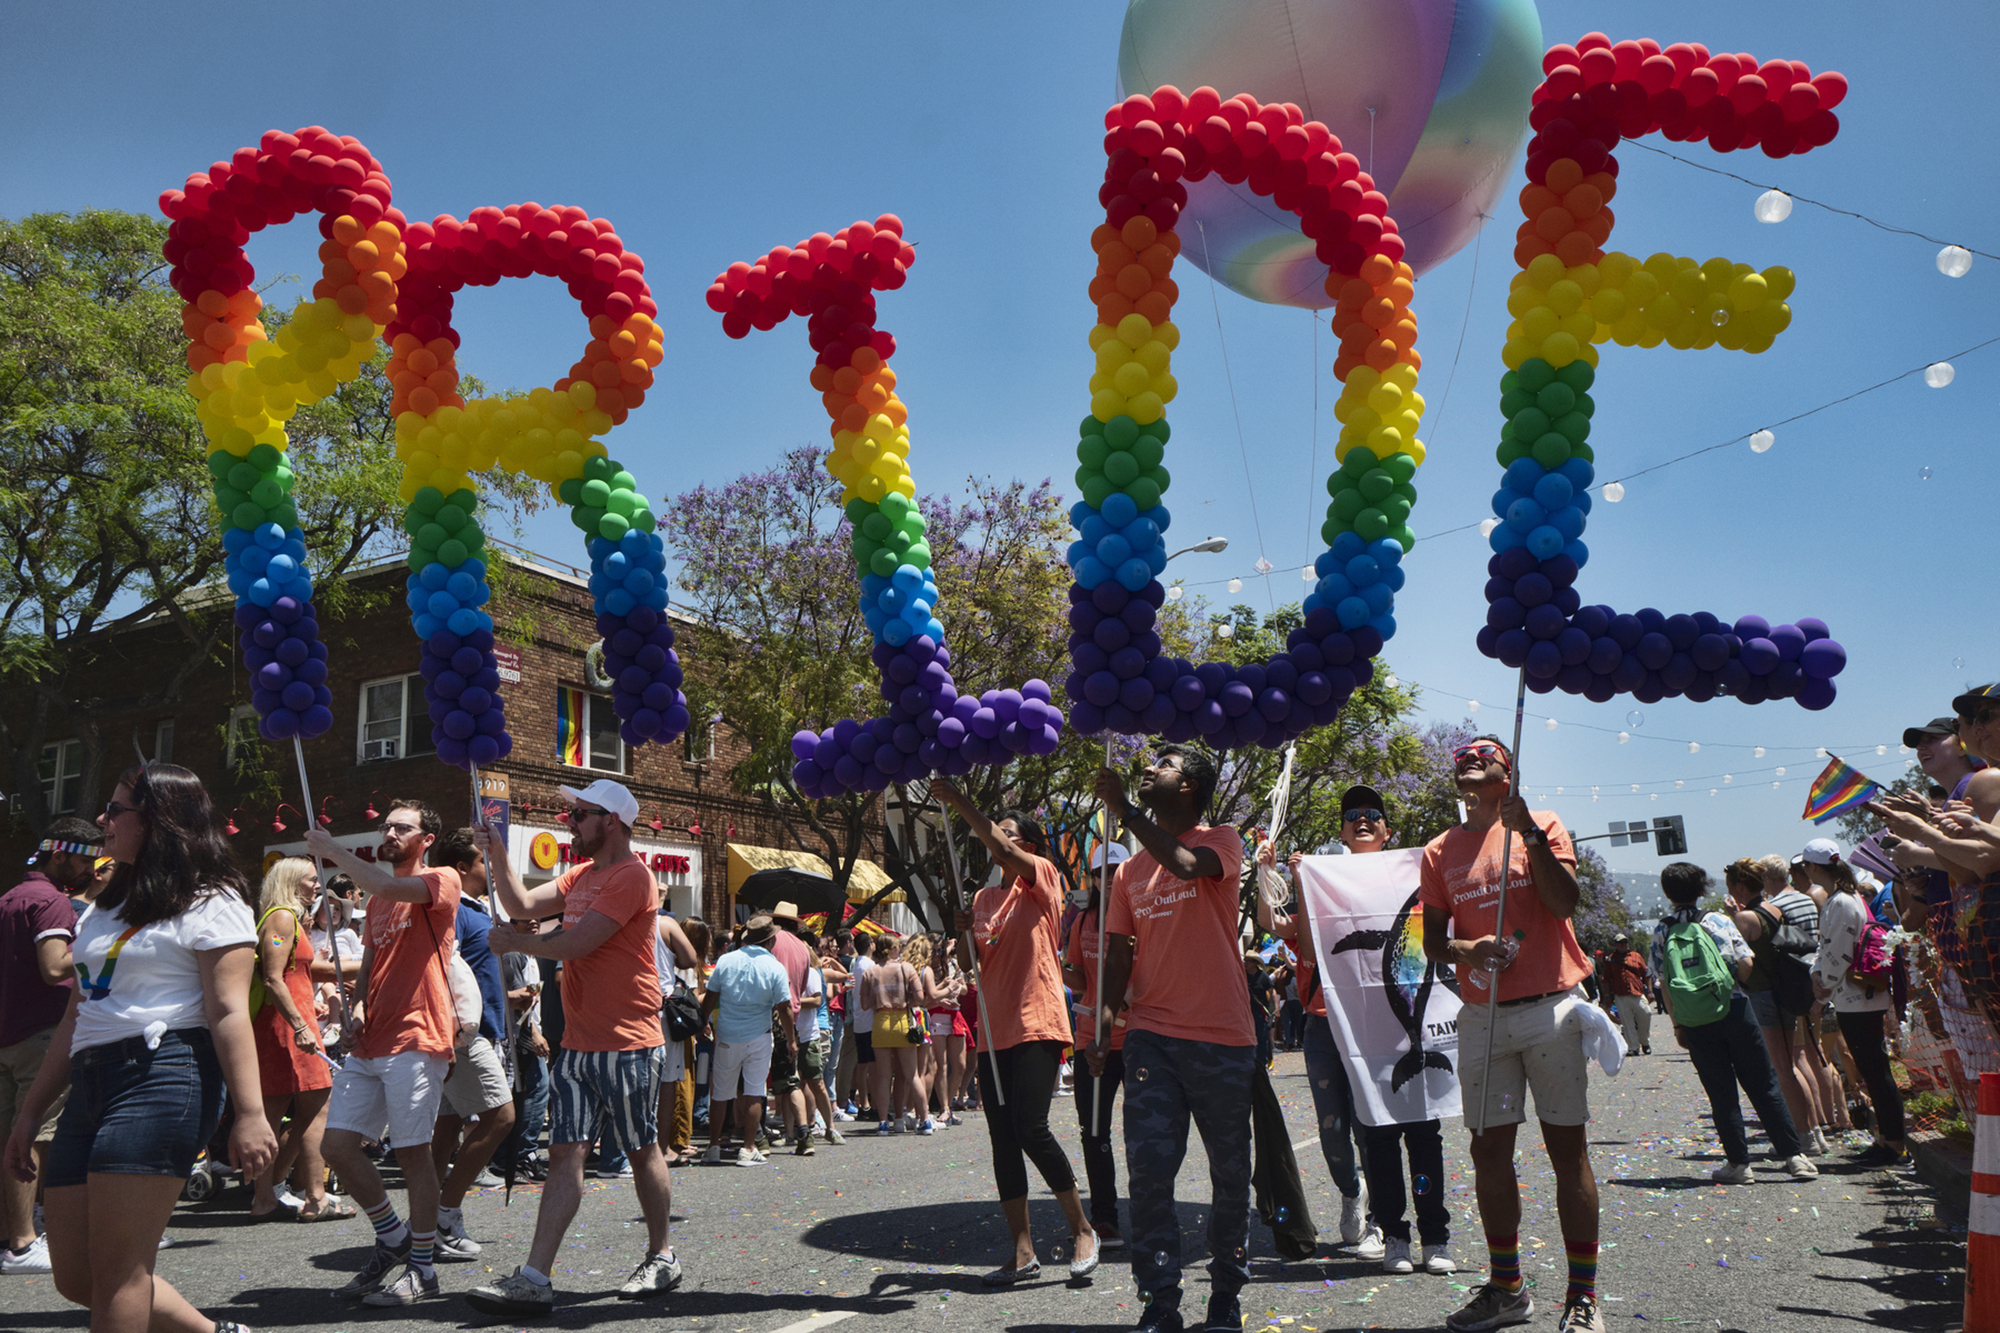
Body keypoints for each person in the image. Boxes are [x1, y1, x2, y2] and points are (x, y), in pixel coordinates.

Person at [3, 763, 277, 1333]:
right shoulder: (106, 905)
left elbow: (228, 1011)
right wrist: (29, 1116)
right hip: (90, 1080)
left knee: (120, 1273)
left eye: (116, 810)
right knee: (75, 1276)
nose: (103, 820)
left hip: (165, 1073)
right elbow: (80, 1012)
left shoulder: (213, 898)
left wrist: (250, 1114)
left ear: (159, 820)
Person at [466, 779, 681, 1314]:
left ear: (611, 820)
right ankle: (536, 1277)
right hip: (579, 1044)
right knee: (564, 1153)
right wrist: (495, 848)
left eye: (580, 814)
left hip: (629, 1041)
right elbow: (518, 902)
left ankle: (662, 1255)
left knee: (640, 1149)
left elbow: (579, 942)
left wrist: (516, 940)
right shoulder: (581, 874)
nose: (571, 822)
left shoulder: (633, 877)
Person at [1417, 735, 1602, 1333]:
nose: (1470, 758)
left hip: (1551, 1008)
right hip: (1484, 1019)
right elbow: (1435, 942)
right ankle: (1507, 1288)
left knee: (1565, 1150)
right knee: (1488, 1150)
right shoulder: (1438, 850)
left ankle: (1582, 1297)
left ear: (1508, 770)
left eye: (1485, 753)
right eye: (1462, 755)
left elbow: (1563, 900)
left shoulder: (1542, 823)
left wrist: (1530, 837)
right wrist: (1470, 948)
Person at [1087, 745, 1253, 1333]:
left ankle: (1226, 1296)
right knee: (1150, 1174)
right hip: (1151, 1035)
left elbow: (1185, 865)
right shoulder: (1129, 873)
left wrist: (1124, 811)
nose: (1151, 766)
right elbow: (1118, 953)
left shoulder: (1224, 840)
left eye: (1165, 763)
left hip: (1222, 1037)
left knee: (1230, 1173)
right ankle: (1160, 1299)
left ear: (1188, 787)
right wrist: (1104, 1022)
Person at [1263, 785, 1451, 1275]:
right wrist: (1279, 875)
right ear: (1342, 831)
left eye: (1373, 815)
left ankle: (1431, 1237)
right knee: (1360, 1131)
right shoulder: (1323, 884)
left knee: (1416, 1130)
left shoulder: (1416, 872)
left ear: (1388, 830)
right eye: (1352, 816)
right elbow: (1293, 933)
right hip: (1334, 1028)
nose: (1362, 820)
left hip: (1401, 1027)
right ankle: (1382, 1224)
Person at [933, 779, 1100, 1285]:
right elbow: (971, 966)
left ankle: (1081, 1229)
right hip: (994, 1030)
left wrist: (959, 800)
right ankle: (1023, 1250)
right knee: (1003, 1139)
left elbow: (1000, 845)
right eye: (996, 832)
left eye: (1006, 835)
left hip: (1038, 1022)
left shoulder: (1043, 877)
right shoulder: (984, 897)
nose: (996, 842)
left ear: (1027, 846)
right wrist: (962, 930)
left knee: (1032, 1127)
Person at [307, 800, 461, 1306]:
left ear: (426, 839)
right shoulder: (375, 903)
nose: (390, 832)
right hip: (373, 1040)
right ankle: (394, 1238)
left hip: (419, 1035)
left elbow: (390, 886)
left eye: (402, 827)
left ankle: (422, 1268)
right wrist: (353, 1013)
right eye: (386, 826)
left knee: (413, 1153)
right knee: (338, 1147)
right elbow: (370, 967)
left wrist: (332, 852)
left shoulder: (441, 880)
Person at [1651, 862, 1817, 1185]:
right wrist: (1730, 985)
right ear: (1701, 891)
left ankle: (1739, 1165)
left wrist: (1678, 1025)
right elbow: (1745, 964)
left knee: (1721, 1092)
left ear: (1668, 894)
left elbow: (1665, 984)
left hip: (1695, 1021)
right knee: (1763, 1083)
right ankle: (1794, 1157)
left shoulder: (1662, 931)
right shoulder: (1717, 920)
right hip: (1735, 1008)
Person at [1, 817, 94, 1274]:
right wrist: (104, 944)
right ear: (59, 855)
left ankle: (10, 1237)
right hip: (41, 1035)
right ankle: (23, 1243)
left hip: (7, 1036)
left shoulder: (10, 898)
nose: (90, 871)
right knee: (37, 1137)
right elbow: (56, 967)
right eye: (84, 860)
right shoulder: (53, 903)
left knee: (9, 1138)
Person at [425, 829, 518, 1257]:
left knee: (445, 1131)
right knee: (500, 1117)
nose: (491, 870)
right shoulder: (455, 909)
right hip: (464, 1035)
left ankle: (425, 1223)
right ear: (462, 868)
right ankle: (444, 1215)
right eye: (485, 862)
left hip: (474, 1031)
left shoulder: (474, 909)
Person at [246, 857, 347, 1224]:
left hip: (289, 1023)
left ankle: (268, 1196)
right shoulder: (281, 918)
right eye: (310, 879)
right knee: (312, 1104)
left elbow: (292, 974)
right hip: (285, 1027)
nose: (317, 885)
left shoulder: (287, 919)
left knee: (278, 1112)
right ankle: (311, 1196)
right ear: (291, 882)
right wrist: (300, 1024)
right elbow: (273, 978)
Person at [1803, 838, 1908, 1166]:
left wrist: (1822, 987)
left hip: (1857, 996)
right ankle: (1886, 1140)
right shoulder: (1844, 898)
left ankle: (1894, 1145)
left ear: (1815, 867)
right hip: (1854, 996)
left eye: (1805, 865)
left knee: (1876, 1071)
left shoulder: (1842, 902)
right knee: (1872, 1071)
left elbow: (1838, 951)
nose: (1804, 871)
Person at [1723, 856, 1830, 1155]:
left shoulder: (1745, 919)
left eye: (1731, 886)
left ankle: (1803, 1137)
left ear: (1740, 887)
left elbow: (1738, 963)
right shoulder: (1774, 908)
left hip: (1762, 995)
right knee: (1793, 1065)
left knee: (1782, 1070)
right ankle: (1813, 1133)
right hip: (1784, 992)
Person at [1063, 840, 1130, 1252]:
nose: (1108, 878)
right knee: (1094, 1133)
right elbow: (1080, 979)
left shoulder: (1142, 916)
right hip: (1091, 1042)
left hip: (1138, 1039)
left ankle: (1155, 1213)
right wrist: (1056, 970)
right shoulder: (1081, 922)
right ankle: (1105, 1219)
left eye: (1116, 870)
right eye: (1102, 871)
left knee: (1146, 1133)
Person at [698, 914, 796, 1167]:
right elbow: (784, 1007)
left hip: (727, 1034)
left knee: (720, 1093)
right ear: (770, 940)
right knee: (755, 1091)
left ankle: (713, 1147)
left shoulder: (727, 960)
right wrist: (791, 1039)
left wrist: (702, 1022)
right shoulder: (774, 966)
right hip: (758, 1035)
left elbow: (711, 996)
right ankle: (749, 1148)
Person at [1599, 934, 1652, 1056]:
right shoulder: (1610, 959)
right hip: (1621, 995)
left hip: (1637, 993)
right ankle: (1633, 1047)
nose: (1623, 945)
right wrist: (1606, 997)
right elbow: (1606, 980)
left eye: (1625, 942)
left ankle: (1644, 1041)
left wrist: (1650, 991)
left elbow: (1646, 974)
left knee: (1646, 1014)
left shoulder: (1636, 956)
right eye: (1620, 943)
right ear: (1615, 945)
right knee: (1627, 1022)